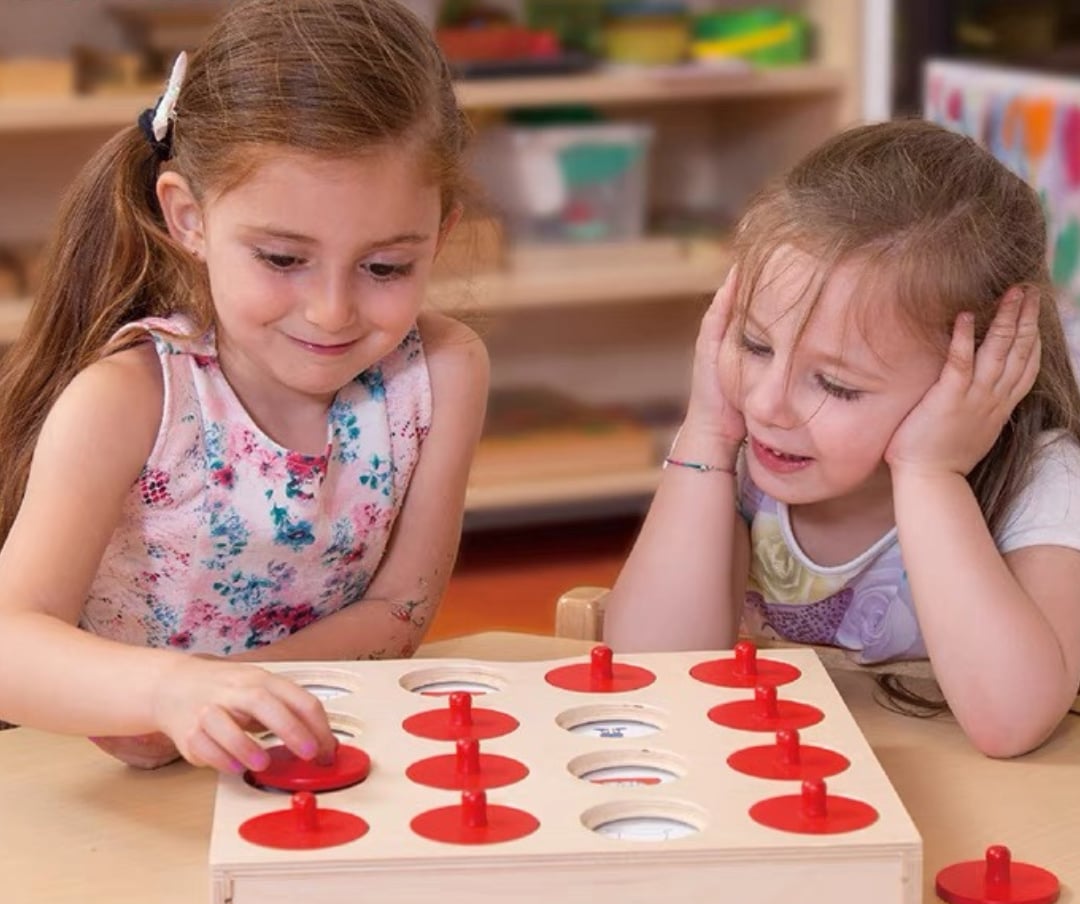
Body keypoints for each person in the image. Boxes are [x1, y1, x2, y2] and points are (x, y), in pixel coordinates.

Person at [0, 0, 489, 773]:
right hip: (113, 787)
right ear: (189, 218)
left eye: (387, 267)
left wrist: (234, 696)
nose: (332, 312)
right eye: (283, 259)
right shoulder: (127, 400)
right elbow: (9, 646)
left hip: (310, 758)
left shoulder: (443, 373)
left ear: (440, 235)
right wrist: (168, 694)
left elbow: (399, 611)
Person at [605, 119, 1080, 759]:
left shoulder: (1043, 482)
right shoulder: (738, 453)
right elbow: (651, 672)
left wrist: (928, 475)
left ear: (985, 370)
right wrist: (708, 431)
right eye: (753, 344)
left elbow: (1011, 723)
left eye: (836, 385)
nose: (768, 403)